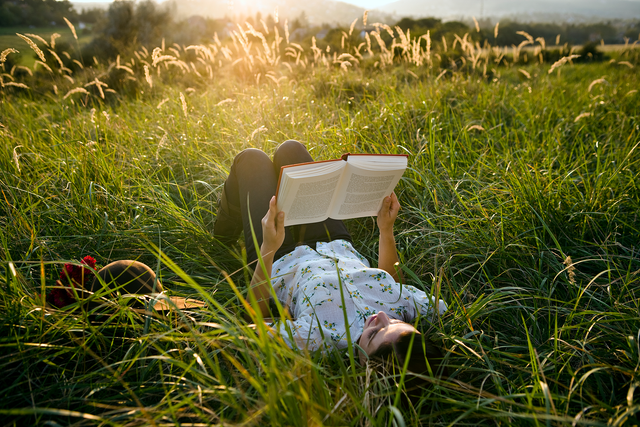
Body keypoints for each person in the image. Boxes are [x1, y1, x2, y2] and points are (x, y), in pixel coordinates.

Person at [213, 140, 447, 373]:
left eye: (375, 333)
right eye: (395, 323)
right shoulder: (410, 308)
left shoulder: (319, 338)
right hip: (333, 240)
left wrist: (267, 248)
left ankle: (222, 235)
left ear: (365, 363)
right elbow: (397, 286)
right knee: (291, 149)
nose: (382, 316)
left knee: (251, 159)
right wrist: (386, 230)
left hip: (278, 254)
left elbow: (250, 325)